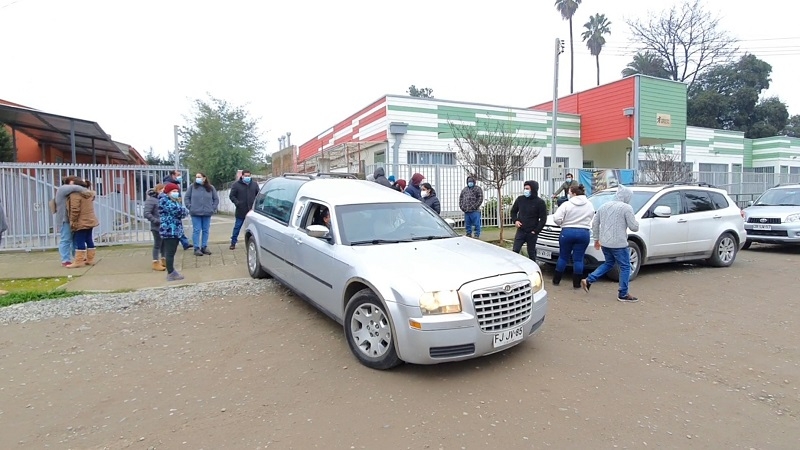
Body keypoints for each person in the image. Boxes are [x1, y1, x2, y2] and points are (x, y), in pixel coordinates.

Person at [581, 185, 640, 303]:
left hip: (605, 242)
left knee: (609, 263)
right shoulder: (626, 208)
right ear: (626, 197)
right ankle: (623, 293)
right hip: (619, 243)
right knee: (625, 267)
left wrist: (597, 239)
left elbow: (595, 224)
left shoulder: (603, 206)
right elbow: (634, 227)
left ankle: (589, 280)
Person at [552, 184, 595, 288]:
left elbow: (556, 218)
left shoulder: (566, 204)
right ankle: (576, 284)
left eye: (569, 192)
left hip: (567, 232)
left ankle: (556, 280)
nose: (568, 194)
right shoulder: (589, 204)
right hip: (583, 232)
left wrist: (563, 224)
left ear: (574, 194)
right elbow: (591, 216)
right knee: (579, 259)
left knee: (563, 257)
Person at [510, 180, 548, 260]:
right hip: (521, 230)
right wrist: (515, 220)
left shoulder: (540, 202)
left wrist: (536, 231)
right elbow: (513, 211)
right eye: (525, 188)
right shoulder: (520, 199)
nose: (525, 190)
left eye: (527, 188)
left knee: (531, 253)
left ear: (533, 189)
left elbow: (543, 218)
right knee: (515, 250)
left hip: (532, 232)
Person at [159, 183, 189, 281]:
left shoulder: (173, 200)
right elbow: (179, 211)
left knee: (172, 252)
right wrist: (183, 211)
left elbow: (183, 212)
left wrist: (183, 211)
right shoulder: (165, 201)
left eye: (177, 191)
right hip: (169, 230)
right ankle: (171, 272)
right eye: (173, 191)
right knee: (170, 252)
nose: (176, 193)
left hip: (175, 230)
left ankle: (172, 271)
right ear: (168, 192)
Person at [184, 172, 219, 256]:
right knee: (196, 230)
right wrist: (190, 207)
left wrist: (212, 208)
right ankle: (196, 248)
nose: (197, 179)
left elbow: (216, 199)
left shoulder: (211, 188)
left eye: (199, 177)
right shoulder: (192, 187)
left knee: (206, 230)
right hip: (195, 212)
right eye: (196, 177)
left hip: (207, 212)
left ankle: (204, 246)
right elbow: (186, 198)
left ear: (204, 178)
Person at [66, 179, 99, 268]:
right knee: (89, 239)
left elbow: (75, 209)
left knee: (79, 240)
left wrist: (73, 221)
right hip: (90, 219)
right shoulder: (88, 194)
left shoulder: (75, 195)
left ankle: (78, 261)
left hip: (81, 220)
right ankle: (90, 259)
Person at [55, 176, 86, 267]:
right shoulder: (63, 189)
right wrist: (84, 188)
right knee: (66, 239)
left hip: (74, 219)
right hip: (65, 220)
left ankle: (77, 257)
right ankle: (65, 260)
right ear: (71, 182)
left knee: (75, 240)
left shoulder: (72, 191)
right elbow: (75, 187)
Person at [228, 170, 260, 250]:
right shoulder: (236, 185)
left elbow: (258, 195)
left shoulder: (254, 185)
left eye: (249, 176)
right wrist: (237, 203)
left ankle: (254, 243)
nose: (247, 177)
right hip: (241, 210)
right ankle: (233, 242)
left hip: (252, 211)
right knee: (237, 227)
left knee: (254, 228)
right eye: (245, 176)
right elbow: (232, 196)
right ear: (242, 176)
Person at [162, 170, 191, 250]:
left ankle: (185, 243)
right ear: (173, 175)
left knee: (179, 227)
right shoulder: (168, 184)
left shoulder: (175, 183)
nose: (180, 177)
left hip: (177, 209)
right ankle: (183, 243)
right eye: (178, 175)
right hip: (172, 213)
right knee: (175, 229)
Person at [143, 183, 166, 271]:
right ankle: (155, 262)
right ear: (157, 190)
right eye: (161, 190)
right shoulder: (152, 200)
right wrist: (156, 220)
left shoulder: (163, 199)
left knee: (164, 244)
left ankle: (164, 259)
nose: (163, 192)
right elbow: (147, 213)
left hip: (164, 226)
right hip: (156, 226)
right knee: (157, 244)